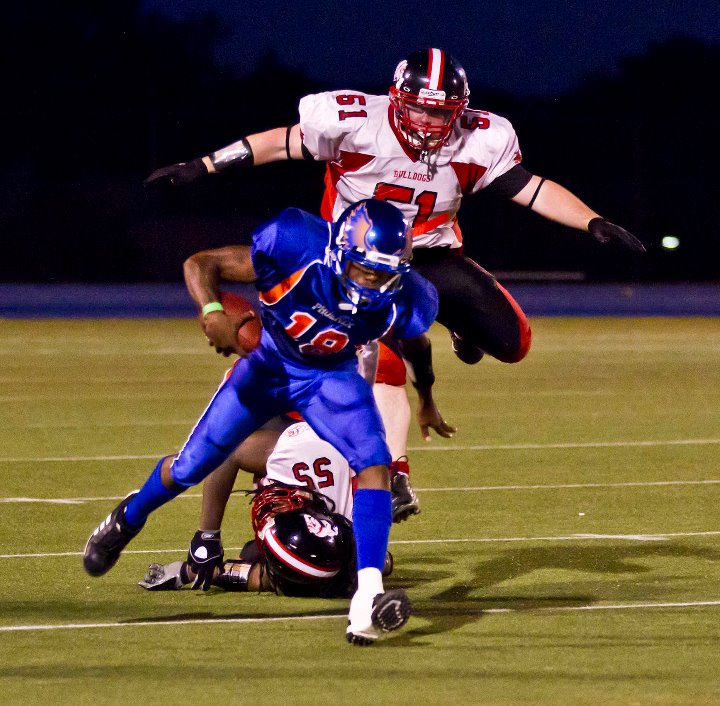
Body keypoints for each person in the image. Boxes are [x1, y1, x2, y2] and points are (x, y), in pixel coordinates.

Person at [144, 46, 645, 505]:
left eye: (441, 112)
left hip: (431, 256)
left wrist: (592, 221)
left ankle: (452, 323)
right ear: (398, 99)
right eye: (420, 109)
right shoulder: (355, 121)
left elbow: (530, 188)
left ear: (459, 110)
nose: (429, 122)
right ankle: (393, 473)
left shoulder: (478, 138)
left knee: (515, 344)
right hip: (356, 263)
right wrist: (205, 165)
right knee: (380, 361)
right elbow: (278, 144)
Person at [83, 198, 444, 645]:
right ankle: (128, 518)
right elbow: (202, 263)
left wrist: (427, 397)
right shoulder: (294, 244)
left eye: (384, 275)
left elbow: (417, 343)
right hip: (270, 368)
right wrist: (212, 312)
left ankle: (367, 597)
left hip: (330, 378)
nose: (373, 284)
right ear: (340, 253)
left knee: (374, 464)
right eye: (365, 271)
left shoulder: (408, 296)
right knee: (191, 465)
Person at [139, 420, 393, 598]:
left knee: (273, 561)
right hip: (343, 536)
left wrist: (204, 544)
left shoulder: (281, 446)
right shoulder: (351, 439)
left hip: (320, 539)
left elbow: (227, 452)